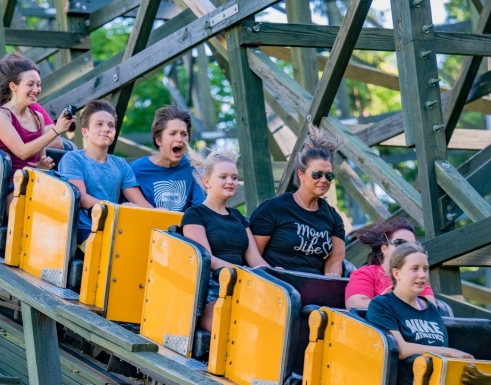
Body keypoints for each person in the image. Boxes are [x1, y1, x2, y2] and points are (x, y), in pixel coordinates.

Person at [366, 242, 472, 385]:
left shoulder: (431, 308)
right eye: (415, 269)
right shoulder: (382, 305)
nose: (422, 275)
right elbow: (401, 349)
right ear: (397, 273)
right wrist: (450, 352)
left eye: (425, 269)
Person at [181, 149, 268, 331]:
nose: (230, 181)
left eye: (234, 177)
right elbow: (206, 258)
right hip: (213, 290)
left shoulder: (237, 216)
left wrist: (275, 274)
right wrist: (242, 273)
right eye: (223, 177)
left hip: (243, 285)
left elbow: (255, 259)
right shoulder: (195, 214)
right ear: (207, 182)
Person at [250, 129, 347, 276]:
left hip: (315, 287)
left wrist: (331, 277)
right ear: (300, 174)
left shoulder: (333, 217)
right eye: (317, 174)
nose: (323, 180)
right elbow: (253, 255)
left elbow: (335, 260)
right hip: (277, 285)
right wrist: (271, 274)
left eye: (329, 175)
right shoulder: (273, 209)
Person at [58, 99, 151, 244]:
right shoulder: (73, 159)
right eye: (99, 124)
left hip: (114, 228)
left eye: (111, 125)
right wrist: (118, 209)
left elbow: (139, 201)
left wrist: (160, 217)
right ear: (85, 132)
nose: (106, 129)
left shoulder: (120, 164)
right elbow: (81, 198)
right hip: (84, 229)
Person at [0, 52, 73, 184]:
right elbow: (22, 152)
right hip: (8, 185)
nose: (36, 89)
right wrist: (56, 130)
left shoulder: (38, 117)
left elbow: (40, 160)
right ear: (13, 86)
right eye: (30, 84)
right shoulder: (0, 115)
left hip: (31, 182)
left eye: (38, 84)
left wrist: (43, 166)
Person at [345, 217, 435, 310]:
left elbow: (431, 308)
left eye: (412, 244)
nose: (407, 249)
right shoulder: (366, 273)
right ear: (384, 249)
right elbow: (355, 304)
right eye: (399, 242)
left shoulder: (417, 277)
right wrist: (400, 307)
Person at [129, 106, 205, 212]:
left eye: (184, 134)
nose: (179, 139)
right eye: (172, 133)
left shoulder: (194, 167)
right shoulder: (134, 171)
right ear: (158, 140)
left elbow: (200, 211)